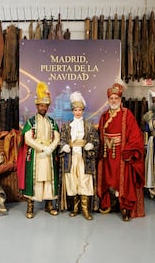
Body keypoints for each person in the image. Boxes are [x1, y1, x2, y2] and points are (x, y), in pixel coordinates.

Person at [97, 82, 145, 222]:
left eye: (116, 99)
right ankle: (109, 203)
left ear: (120, 100)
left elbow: (135, 135)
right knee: (107, 178)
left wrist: (128, 152)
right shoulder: (104, 116)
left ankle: (124, 207)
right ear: (108, 100)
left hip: (120, 154)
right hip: (107, 154)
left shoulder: (127, 115)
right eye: (111, 99)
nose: (113, 101)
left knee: (122, 179)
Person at [17, 81, 60, 219]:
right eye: (41, 105)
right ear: (37, 106)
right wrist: (42, 148)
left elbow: (57, 137)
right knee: (34, 180)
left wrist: (51, 148)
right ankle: (30, 207)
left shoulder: (52, 122)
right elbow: (28, 139)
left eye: (45, 106)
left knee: (48, 179)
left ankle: (49, 205)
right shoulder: (31, 122)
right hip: (36, 155)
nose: (43, 108)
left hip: (48, 156)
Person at [59, 91, 99, 220]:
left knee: (85, 181)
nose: (77, 112)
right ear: (72, 111)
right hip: (70, 158)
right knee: (72, 181)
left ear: (83, 111)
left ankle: (85, 209)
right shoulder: (66, 126)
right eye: (75, 110)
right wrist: (64, 145)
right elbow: (61, 140)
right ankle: (75, 208)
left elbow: (95, 140)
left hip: (84, 158)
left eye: (80, 110)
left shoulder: (88, 126)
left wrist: (91, 145)